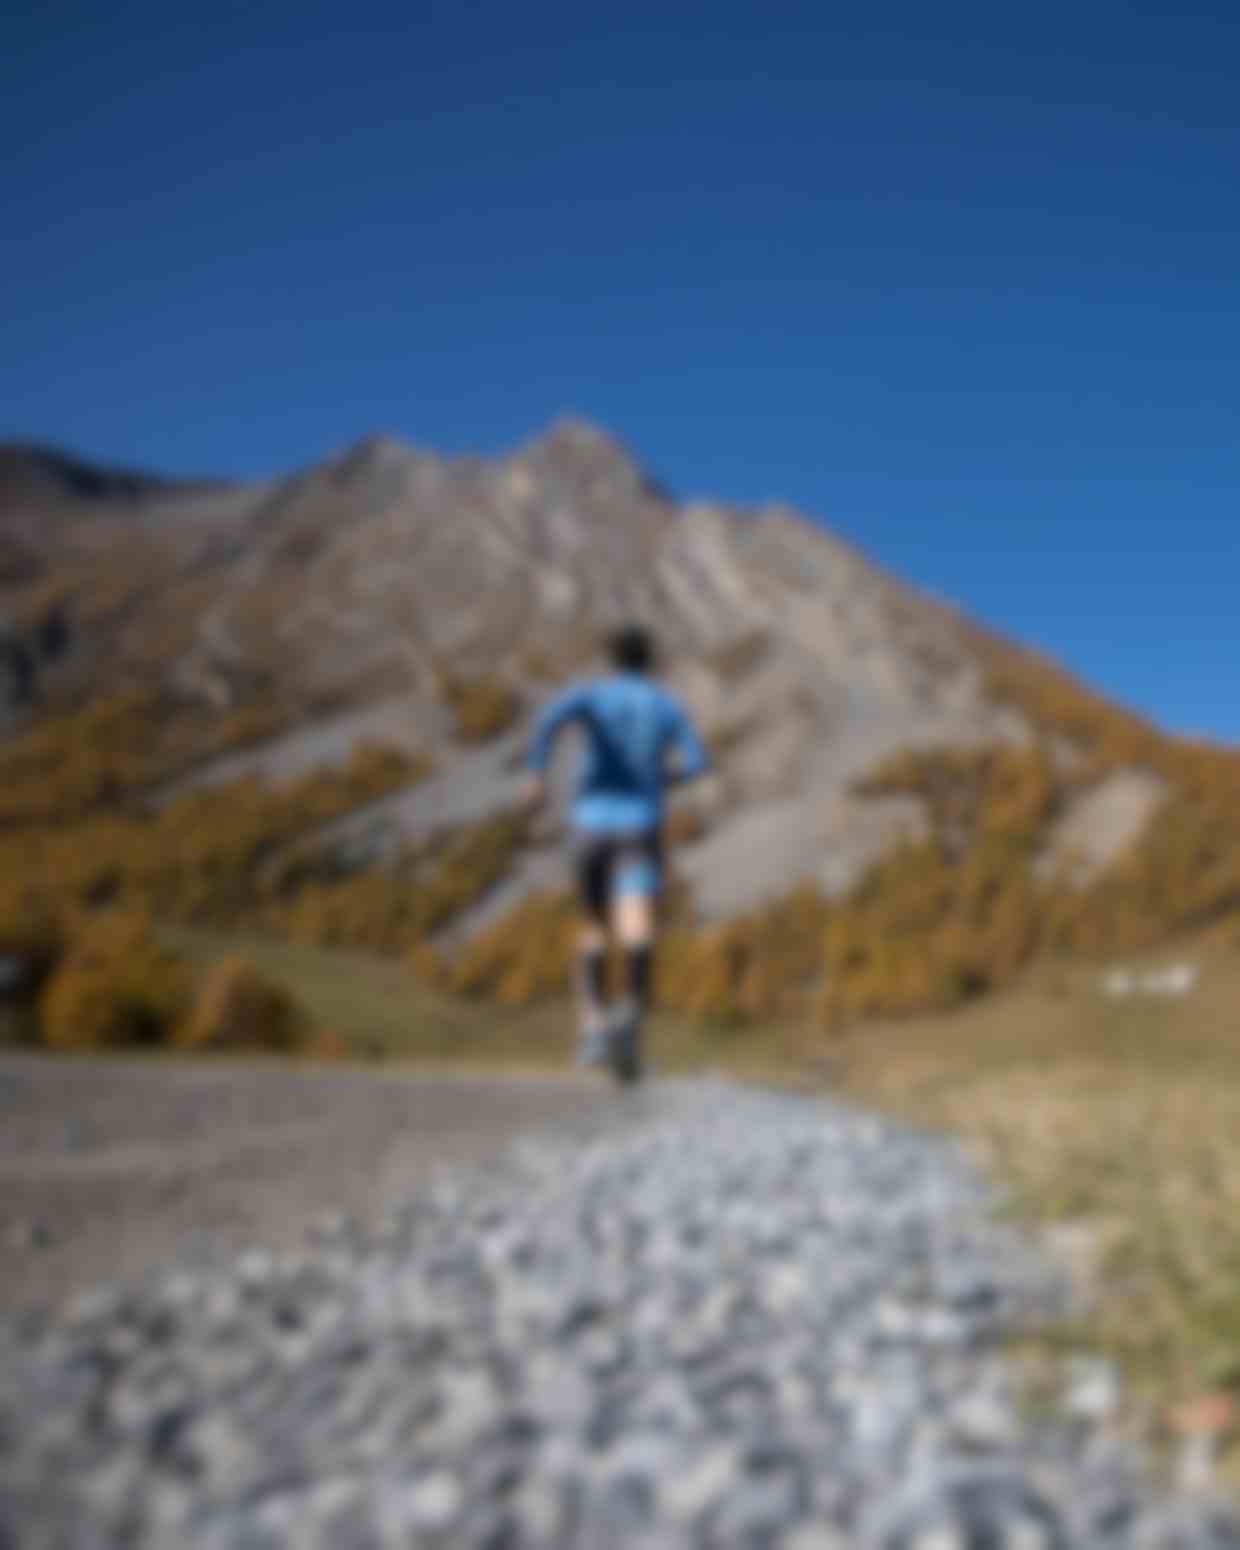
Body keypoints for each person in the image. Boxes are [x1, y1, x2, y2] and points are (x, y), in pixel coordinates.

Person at [520, 625, 710, 1082]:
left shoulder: (593, 694)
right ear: (650, 660)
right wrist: (665, 781)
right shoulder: (664, 704)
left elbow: (549, 719)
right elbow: (697, 761)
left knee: (593, 923)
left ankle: (594, 1028)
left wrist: (536, 773)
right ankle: (632, 1013)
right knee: (636, 922)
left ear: (612, 658)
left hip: (590, 822)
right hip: (640, 823)